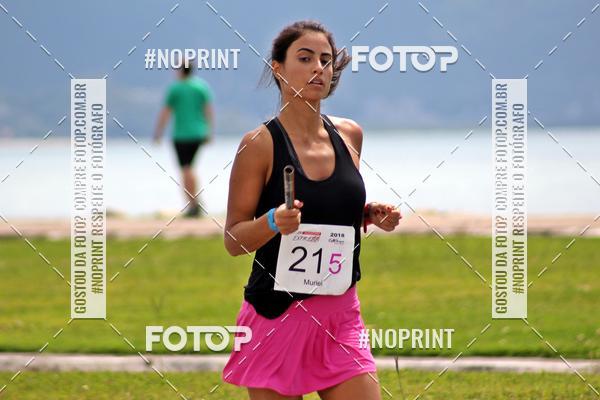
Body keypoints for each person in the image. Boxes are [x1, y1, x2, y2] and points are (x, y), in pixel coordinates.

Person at [222, 21, 402, 400]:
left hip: (340, 316)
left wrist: (367, 213)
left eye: (325, 60)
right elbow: (234, 239)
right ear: (278, 68)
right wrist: (273, 221)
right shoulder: (258, 145)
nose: (318, 68)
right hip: (274, 316)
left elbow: (329, 207)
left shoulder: (350, 135)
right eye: (305, 59)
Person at [154, 61, 214, 217]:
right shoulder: (201, 87)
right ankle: (194, 202)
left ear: (181, 71)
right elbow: (208, 110)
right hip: (198, 133)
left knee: (186, 169)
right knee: (190, 168)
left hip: (181, 135)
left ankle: (193, 204)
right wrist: (209, 131)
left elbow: (165, 112)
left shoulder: (175, 88)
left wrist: (158, 133)